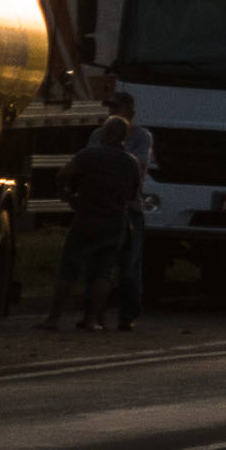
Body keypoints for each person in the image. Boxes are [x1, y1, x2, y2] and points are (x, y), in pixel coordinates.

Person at [43, 116, 142, 331]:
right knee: (103, 273)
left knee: (69, 268)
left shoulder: (88, 155)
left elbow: (63, 174)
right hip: (115, 221)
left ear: (105, 134)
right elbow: (135, 193)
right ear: (124, 137)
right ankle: (92, 320)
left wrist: (67, 195)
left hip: (87, 218)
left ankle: (53, 318)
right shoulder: (131, 162)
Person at [103, 92, 157, 330]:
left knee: (129, 265)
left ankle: (128, 314)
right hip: (103, 204)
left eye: (117, 108)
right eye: (111, 108)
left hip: (129, 207)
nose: (112, 113)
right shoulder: (98, 134)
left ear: (131, 111)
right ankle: (92, 313)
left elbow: (139, 166)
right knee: (99, 262)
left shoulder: (142, 137)